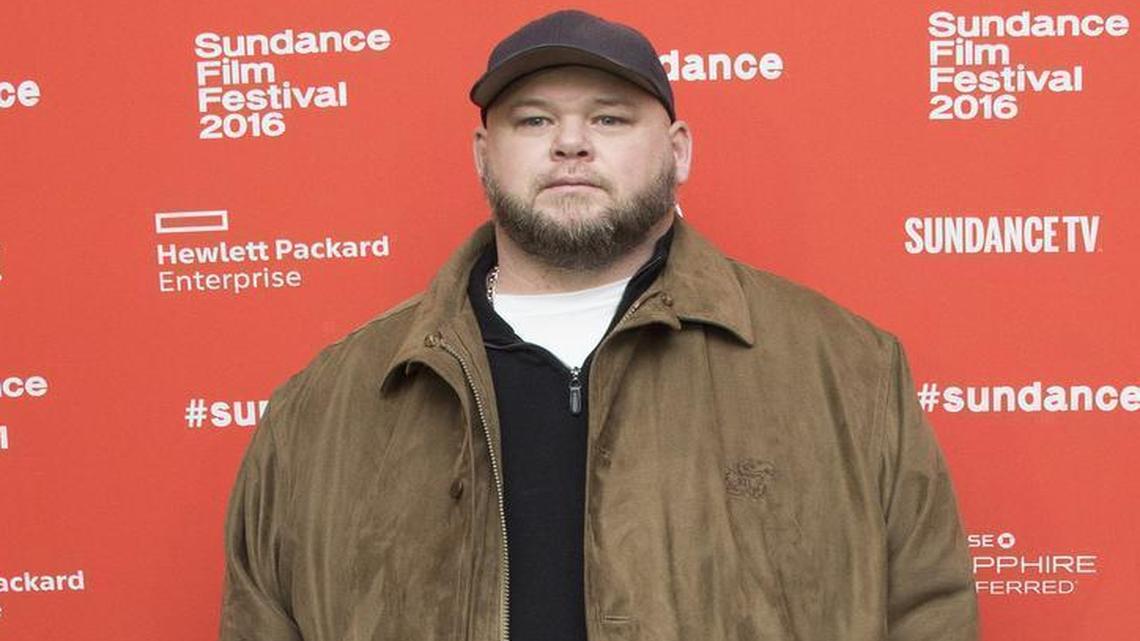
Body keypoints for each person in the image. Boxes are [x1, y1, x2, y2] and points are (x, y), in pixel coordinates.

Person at [219, 9, 978, 641]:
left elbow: (929, 610)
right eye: (534, 119)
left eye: (609, 117)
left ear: (678, 152)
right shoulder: (325, 404)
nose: (570, 142)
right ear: (483, 156)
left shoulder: (844, 368)